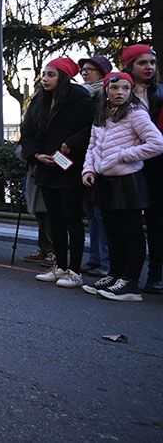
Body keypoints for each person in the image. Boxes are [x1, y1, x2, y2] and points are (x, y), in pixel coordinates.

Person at [80, 72, 163, 301]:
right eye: (115, 88)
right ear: (106, 90)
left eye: (126, 89)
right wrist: (89, 169)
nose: (120, 93)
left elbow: (157, 143)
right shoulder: (102, 115)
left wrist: (124, 155)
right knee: (112, 232)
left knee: (131, 232)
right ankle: (115, 274)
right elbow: (92, 146)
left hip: (129, 181)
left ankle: (130, 282)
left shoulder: (136, 114)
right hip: (106, 181)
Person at [19, 58, 95, 289]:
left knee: (72, 219)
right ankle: (60, 265)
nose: (45, 79)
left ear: (63, 77)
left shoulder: (80, 99)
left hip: (70, 164)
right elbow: (27, 131)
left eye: (51, 74)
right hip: (46, 165)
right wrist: (35, 155)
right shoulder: (39, 101)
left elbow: (91, 127)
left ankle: (74, 269)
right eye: (43, 74)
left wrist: (70, 144)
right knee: (56, 220)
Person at [120, 44, 163, 294]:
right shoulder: (118, 92)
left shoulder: (159, 94)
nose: (149, 67)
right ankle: (127, 273)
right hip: (127, 166)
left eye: (152, 63)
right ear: (130, 66)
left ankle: (156, 272)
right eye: (142, 63)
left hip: (156, 166)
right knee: (128, 222)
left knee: (157, 222)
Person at [78, 55, 114, 276]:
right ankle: (95, 257)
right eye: (83, 69)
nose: (85, 73)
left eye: (90, 69)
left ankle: (104, 260)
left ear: (102, 73)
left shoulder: (105, 95)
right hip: (86, 160)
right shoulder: (85, 94)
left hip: (101, 160)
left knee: (100, 213)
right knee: (91, 212)